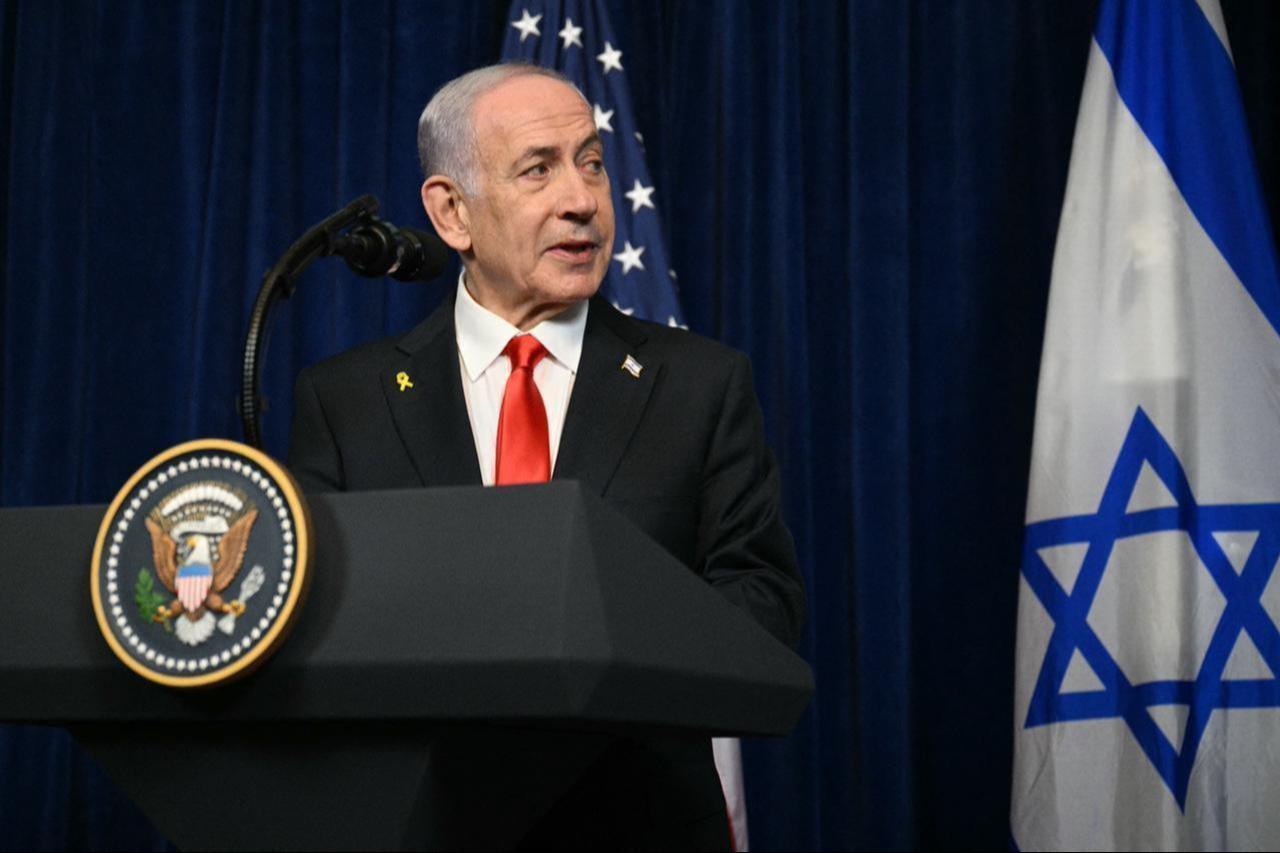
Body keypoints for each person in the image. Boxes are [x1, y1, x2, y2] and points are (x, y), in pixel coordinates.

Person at [288, 62, 804, 850]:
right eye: (539, 168)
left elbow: (763, 601)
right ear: (452, 212)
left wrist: (597, 645)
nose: (584, 199)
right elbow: (313, 625)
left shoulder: (701, 384)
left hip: (639, 826)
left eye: (592, 163)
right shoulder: (346, 401)